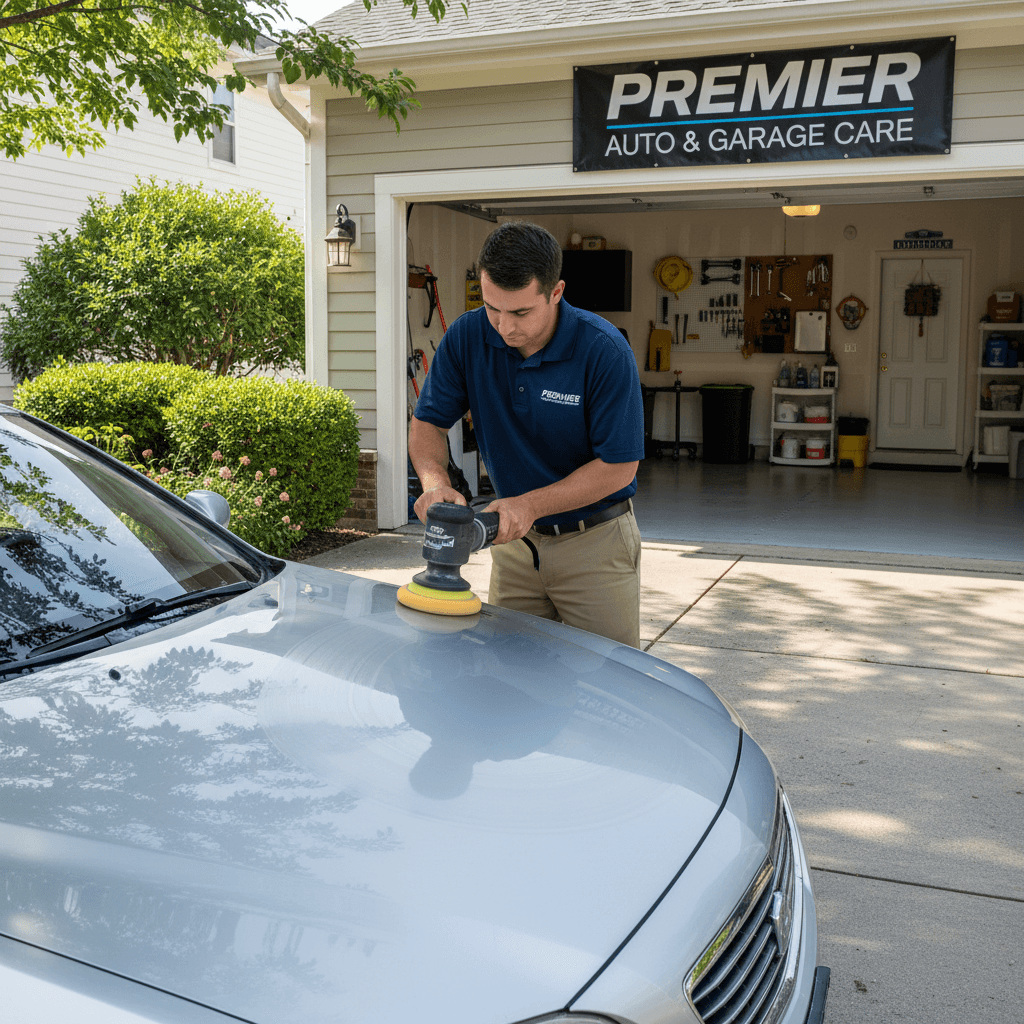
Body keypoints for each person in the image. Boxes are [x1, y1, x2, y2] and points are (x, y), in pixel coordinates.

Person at [408, 221, 645, 647]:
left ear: (556, 292)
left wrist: (530, 505)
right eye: (492, 308)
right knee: (509, 671)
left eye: (520, 312)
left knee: (606, 677)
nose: (504, 326)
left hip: (595, 543)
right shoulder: (467, 336)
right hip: (514, 544)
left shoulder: (604, 350)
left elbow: (619, 466)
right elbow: (428, 423)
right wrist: (435, 483)